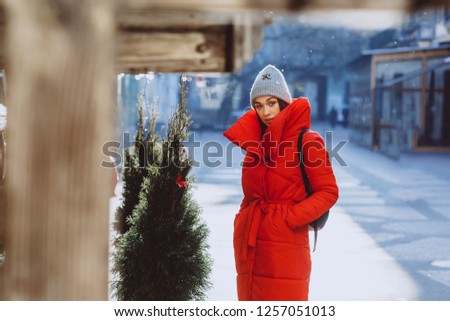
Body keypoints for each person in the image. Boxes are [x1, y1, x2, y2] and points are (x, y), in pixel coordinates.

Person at [223, 65, 338, 301]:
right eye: (259, 105)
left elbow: (328, 192)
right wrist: (245, 216)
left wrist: (289, 218)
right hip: (252, 244)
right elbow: (251, 193)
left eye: (271, 103)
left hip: (286, 247)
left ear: (284, 102)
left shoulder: (307, 141)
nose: (265, 111)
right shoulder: (256, 145)